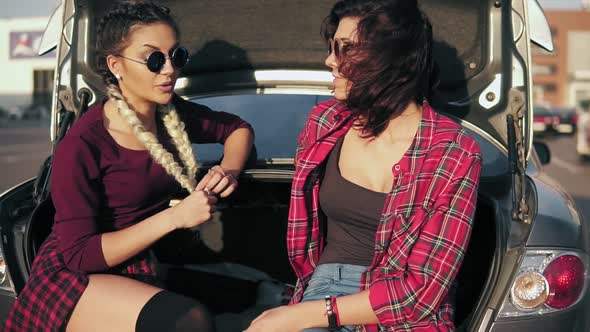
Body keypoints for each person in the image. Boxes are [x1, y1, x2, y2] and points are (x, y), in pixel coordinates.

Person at [3, 2, 254, 331]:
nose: (168, 70)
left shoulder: (171, 113)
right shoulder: (84, 145)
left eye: (175, 56)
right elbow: (80, 254)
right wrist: (175, 218)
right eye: (153, 59)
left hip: (139, 261)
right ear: (115, 65)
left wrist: (229, 170)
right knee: (190, 321)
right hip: (76, 275)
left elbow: (238, 129)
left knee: (256, 295)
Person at [246, 0, 481, 331]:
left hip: (407, 313)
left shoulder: (455, 153)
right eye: (332, 48)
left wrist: (296, 315)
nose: (330, 61)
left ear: (390, 61)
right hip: (325, 286)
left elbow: (423, 292)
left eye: (345, 49)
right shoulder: (324, 124)